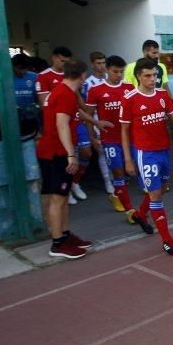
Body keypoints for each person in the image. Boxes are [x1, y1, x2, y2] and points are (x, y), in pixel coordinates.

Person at [120, 58, 173, 255]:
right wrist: (128, 160)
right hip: (145, 153)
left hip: (164, 150)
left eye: (155, 75)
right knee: (155, 194)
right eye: (148, 76)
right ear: (138, 76)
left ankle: (140, 214)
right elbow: (124, 131)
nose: (152, 79)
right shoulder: (129, 98)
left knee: (162, 188)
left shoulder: (163, 95)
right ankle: (167, 240)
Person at [36, 60, 96, 259]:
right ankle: (57, 244)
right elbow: (62, 124)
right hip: (55, 153)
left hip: (58, 152)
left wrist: (96, 121)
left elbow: (76, 112)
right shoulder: (63, 94)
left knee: (62, 198)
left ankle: (65, 235)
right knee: (57, 198)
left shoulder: (65, 91)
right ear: (82, 76)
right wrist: (71, 154)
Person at [84, 56, 140, 225]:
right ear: (107, 70)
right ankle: (130, 210)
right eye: (115, 72)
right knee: (117, 171)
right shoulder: (96, 90)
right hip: (109, 139)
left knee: (129, 171)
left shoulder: (129, 88)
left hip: (129, 138)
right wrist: (92, 137)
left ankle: (116, 194)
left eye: (121, 72)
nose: (119, 75)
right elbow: (87, 115)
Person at [81, 51, 119, 207]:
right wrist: (92, 128)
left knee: (115, 153)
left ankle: (116, 181)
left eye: (103, 62)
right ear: (92, 64)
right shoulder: (87, 83)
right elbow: (85, 108)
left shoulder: (111, 80)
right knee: (102, 153)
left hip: (114, 123)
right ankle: (107, 182)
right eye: (98, 63)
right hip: (97, 121)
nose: (101, 66)